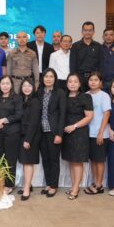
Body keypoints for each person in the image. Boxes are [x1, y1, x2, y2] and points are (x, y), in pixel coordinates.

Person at [61, 74, 94, 199]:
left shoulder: (85, 97)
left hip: (79, 132)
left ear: (80, 84)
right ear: (67, 83)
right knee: (71, 160)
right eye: (70, 81)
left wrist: (74, 126)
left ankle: (75, 189)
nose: (73, 84)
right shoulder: (64, 96)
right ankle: (73, 186)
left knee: (77, 161)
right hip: (66, 133)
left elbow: (89, 117)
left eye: (75, 81)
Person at [36, 68, 66, 198]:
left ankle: (54, 186)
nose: (48, 79)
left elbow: (62, 114)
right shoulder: (39, 92)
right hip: (41, 131)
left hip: (53, 131)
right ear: (42, 79)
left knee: (54, 160)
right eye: (46, 76)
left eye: (51, 76)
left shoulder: (60, 93)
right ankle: (48, 183)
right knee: (45, 159)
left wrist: (59, 134)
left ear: (55, 79)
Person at [0, 75, 23, 194]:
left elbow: (19, 114)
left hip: (12, 132)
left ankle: (10, 185)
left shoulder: (17, 98)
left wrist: (3, 120)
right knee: (2, 158)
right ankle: (4, 181)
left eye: (7, 83)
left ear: (11, 85)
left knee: (10, 159)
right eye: (3, 83)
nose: (5, 86)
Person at [84, 72, 111, 195]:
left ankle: (99, 185)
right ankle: (95, 182)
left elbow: (107, 114)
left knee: (99, 160)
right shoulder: (85, 95)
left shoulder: (104, 96)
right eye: (91, 80)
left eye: (96, 80)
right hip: (88, 133)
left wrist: (100, 132)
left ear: (100, 82)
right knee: (93, 160)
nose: (93, 82)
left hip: (100, 134)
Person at [18, 79, 41, 201]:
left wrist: (28, 139)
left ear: (33, 88)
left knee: (28, 162)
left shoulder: (35, 101)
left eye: (29, 86)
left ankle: (26, 189)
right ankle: (27, 185)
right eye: (24, 86)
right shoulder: (22, 100)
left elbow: (34, 122)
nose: (26, 88)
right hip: (23, 135)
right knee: (24, 161)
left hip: (31, 136)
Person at [70, 21, 102, 92]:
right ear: (82, 32)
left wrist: (100, 78)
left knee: (94, 97)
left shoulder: (98, 46)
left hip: (94, 78)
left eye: (90, 30)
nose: (87, 32)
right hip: (80, 78)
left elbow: (100, 64)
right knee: (80, 97)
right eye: (85, 30)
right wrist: (74, 79)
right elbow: (72, 64)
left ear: (93, 32)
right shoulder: (75, 46)